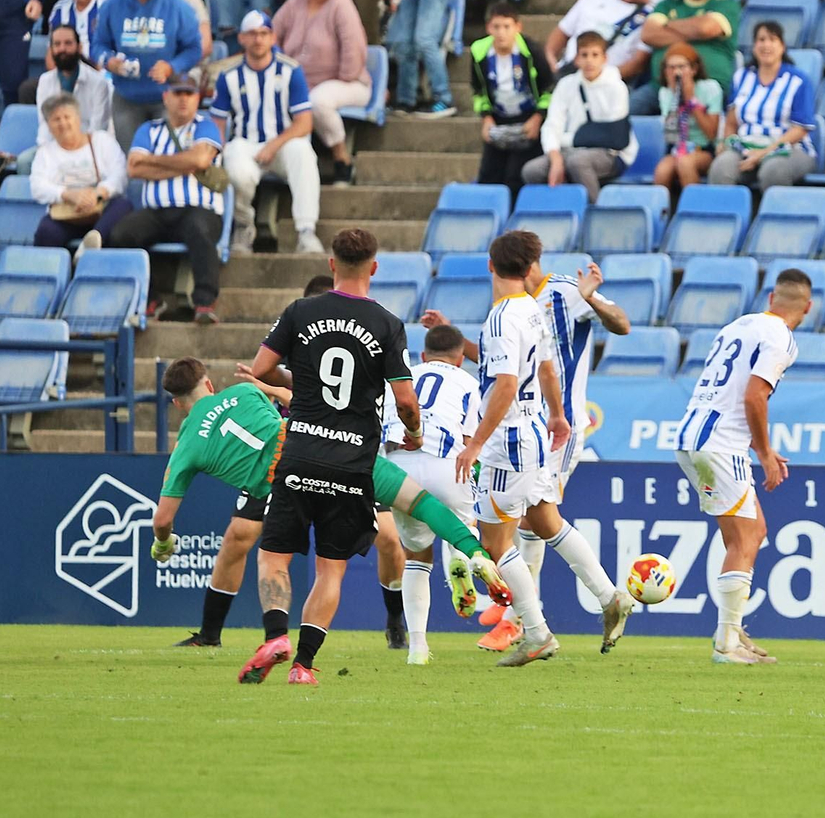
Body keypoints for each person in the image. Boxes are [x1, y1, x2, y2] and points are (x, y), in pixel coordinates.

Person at [153, 356, 507, 650]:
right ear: (209, 385)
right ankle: (472, 550)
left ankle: (281, 641)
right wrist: (272, 390)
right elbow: (298, 406)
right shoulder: (246, 391)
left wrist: (163, 543)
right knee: (416, 506)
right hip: (335, 442)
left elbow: (162, 519)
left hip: (288, 476)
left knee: (284, 559)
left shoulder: (187, 445)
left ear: (176, 402)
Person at [235, 228, 420, 686]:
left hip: (299, 453)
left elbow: (258, 369)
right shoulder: (388, 324)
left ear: (331, 264)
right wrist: (413, 432)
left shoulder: (300, 312)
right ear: (373, 268)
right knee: (330, 569)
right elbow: (405, 401)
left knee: (274, 557)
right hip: (354, 463)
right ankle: (303, 664)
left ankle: (276, 635)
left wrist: (301, 378)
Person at [419, 239, 630, 636]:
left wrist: (476, 443)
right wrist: (556, 415)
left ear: (490, 265)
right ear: (529, 264)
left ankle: (532, 630)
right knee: (545, 522)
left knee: (496, 543)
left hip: (509, 437)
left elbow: (506, 384)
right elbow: (546, 369)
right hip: (535, 428)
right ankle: (609, 596)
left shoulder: (508, 315)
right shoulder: (533, 310)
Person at [676, 267, 809, 664]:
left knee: (752, 532)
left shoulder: (737, 326)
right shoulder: (782, 338)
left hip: (692, 435)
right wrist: (764, 454)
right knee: (745, 539)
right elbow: (754, 397)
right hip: (720, 444)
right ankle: (726, 645)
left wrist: (758, 444)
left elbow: (730, 393)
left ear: (771, 298)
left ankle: (732, 631)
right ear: (808, 307)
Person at [382, 324, 483, 665]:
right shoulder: (468, 382)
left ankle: (418, 648)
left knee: (416, 557)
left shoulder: (402, 375)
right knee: (463, 522)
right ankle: (459, 554)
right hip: (445, 461)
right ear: (459, 360)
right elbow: (470, 442)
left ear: (423, 356)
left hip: (398, 463)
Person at [109, 77, 225, 322]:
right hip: (158, 212)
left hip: (199, 209)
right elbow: (134, 169)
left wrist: (153, 160)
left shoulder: (206, 126)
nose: (183, 98)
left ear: (197, 98)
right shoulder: (149, 129)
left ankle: (205, 303)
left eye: (189, 93)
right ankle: (151, 299)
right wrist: (184, 163)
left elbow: (200, 161)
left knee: (199, 229)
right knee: (121, 235)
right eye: (178, 93)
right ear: (166, 97)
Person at [212, 10, 320, 255]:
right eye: (252, 34)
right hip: (246, 143)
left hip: (282, 143)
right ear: (241, 39)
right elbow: (217, 123)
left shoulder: (291, 71)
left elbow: (304, 123)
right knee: (235, 165)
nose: (258, 39)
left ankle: (306, 231)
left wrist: (273, 145)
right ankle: (243, 226)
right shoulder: (228, 75)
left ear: (273, 38)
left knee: (303, 152)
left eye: (264, 34)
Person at [273, 0, 366, 187]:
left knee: (317, 101)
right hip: (298, 83)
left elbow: (353, 45)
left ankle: (341, 159)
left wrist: (345, 76)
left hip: (346, 82)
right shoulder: (295, 3)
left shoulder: (340, 3)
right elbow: (271, 36)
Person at [95, 0, 202, 146]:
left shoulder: (178, 8)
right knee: (132, 160)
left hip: (166, 98)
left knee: (167, 158)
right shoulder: (112, 6)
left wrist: (172, 67)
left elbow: (194, 49)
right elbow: (98, 45)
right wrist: (109, 60)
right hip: (126, 97)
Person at [521, 30, 637, 201]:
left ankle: (594, 211)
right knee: (531, 170)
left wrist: (568, 140)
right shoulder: (566, 85)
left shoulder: (617, 87)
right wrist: (555, 157)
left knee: (578, 162)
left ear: (604, 58)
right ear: (576, 59)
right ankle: (557, 212)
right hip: (572, 151)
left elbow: (614, 137)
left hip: (612, 154)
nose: (589, 60)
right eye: (584, 55)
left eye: (595, 55)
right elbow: (553, 124)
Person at [712, 19, 819, 190]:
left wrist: (764, 152)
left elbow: (800, 130)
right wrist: (725, 143)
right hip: (745, 147)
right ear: (754, 46)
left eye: (772, 39)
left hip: (789, 149)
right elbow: (731, 122)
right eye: (761, 40)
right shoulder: (741, 77)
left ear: (782, 46)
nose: (766, 45)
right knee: (721, 167)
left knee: (773, 171)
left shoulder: (798, 81)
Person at [638, 0, 739, 112]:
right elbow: (648, 34)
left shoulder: (726, 4)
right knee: (623, 114)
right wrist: (695, 31)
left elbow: (706, 29)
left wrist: (668, 24)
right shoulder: (668, 4)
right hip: (661, 87)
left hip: (708, 88)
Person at [471, 0, 554, 197]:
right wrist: (486, 118)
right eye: (496, 27)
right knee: (489, 175)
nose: (501, 33)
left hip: (528, 119)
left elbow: (549, 88)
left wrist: (537, 118)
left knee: (514, 176)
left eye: (507, 27)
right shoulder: (479, 51)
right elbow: (478, 90)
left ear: (517, 27)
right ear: (488, 28)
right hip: (499, 117)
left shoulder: (532, 51)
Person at [30, 92, 128, 249]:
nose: (63, 123)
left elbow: (120, 174)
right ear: (48, 125)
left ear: (78, 118)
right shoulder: (45, 153)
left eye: (67, 117)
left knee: (123, 206)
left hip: (101, 210)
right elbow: (37, 186)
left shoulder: (102, 141)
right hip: (66, 214)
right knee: (45, 231)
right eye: (56, 119)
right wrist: (69, 195)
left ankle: (92, 242)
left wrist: (96, 194)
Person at [546, 0, 652, 85]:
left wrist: (601, 79)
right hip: (569, 76)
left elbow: (638, 63)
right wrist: (550, 62)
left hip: (611, 83)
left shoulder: (651, 16)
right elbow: (562, 31)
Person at [652, 41, 721, 197]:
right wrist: (676, 99)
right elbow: (670, 134)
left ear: (694, 69)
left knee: (685, 163)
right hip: (678, 149)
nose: (677, 73)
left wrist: (691, 100)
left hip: (703, 149)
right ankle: (663, 216)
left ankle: (698, 211)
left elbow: (711, 133)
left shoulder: (710, 88)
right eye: (671, 68)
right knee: (662, 170)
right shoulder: (665, 92)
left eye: (681, 67)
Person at [35, 24, 113, 144]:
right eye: (57, 44)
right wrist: (45, 153)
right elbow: (45, 125)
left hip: (87, 148)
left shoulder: (98, 82)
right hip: (54, 148)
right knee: (25, 161)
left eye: (68, 43)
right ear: (51, 50)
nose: (62, 49)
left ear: (79, 47)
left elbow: (98, 128)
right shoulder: (45, 81)